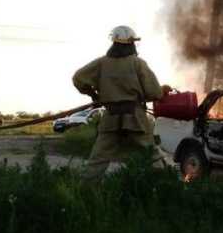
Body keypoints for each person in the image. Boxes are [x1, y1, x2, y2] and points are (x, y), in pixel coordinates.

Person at [72, 25, 170, 181]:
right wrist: (162, 90)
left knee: (98, 159)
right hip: (135, 118)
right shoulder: (138, 63)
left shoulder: (101, 63)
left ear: (114, 43)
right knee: (151, 154)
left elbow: (78, 78)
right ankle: (167, 183)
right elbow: (153, 93)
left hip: (110, 117)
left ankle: (85, 189)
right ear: (131, 43)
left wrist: (93, 95)